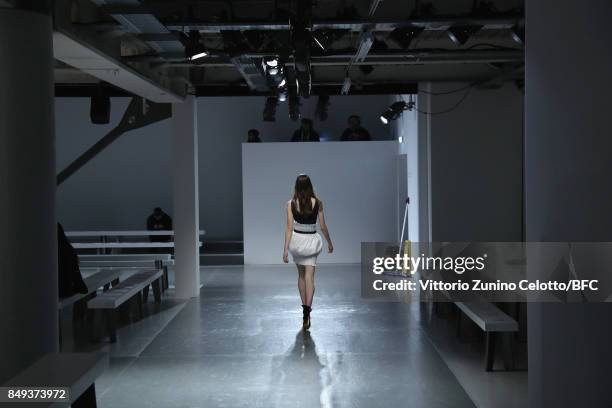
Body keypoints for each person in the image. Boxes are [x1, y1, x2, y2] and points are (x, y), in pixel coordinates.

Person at [283, 174, 333, 330]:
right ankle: (307, 312)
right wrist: (329, 242)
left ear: (296, 187)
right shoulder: (318, 203)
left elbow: (289, 227)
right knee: (310, 277)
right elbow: (323, 226)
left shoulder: (290, 204)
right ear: (311, 186)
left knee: (301, 276)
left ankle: (304, 311)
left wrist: (285, 249)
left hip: (297, 242)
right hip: (311, 242)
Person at [57, 223, 88, 298]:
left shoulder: (49, 251)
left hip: (58, 291)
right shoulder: (68, 249)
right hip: (67, 289)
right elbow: (75, 272)